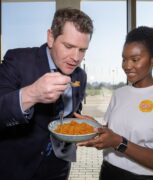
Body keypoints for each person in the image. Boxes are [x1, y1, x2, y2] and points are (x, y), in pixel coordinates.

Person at [0, 8, 93, 180]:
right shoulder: (17, 60)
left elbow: (73, 111)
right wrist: (31, 94)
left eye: (82, 50)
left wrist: (79, 126)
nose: (76, 57)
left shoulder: (80, 75)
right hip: (18, 168)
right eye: (69, 46)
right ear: (51, 37)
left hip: (59, 167)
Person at [77, 26, 153, 180]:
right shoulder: (119, 94)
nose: (126, 66)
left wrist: (119, 142)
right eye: (124, 59)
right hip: (107, 173)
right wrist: (95, 128)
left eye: (135, 59)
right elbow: (113, 131)